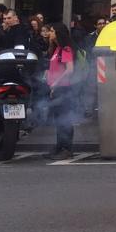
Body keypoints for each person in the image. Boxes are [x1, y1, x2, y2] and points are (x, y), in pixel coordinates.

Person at [43, 22, 76, 160]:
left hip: (64, 89)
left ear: (58, 33)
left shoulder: (66, 49)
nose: (49, 33)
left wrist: (56, 83)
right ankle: (60, 146)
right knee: (59, 120)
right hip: (56, 89)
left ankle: (66, 148)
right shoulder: (56, 49)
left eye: (51, 31)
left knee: (64, 120)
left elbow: (69, 69)